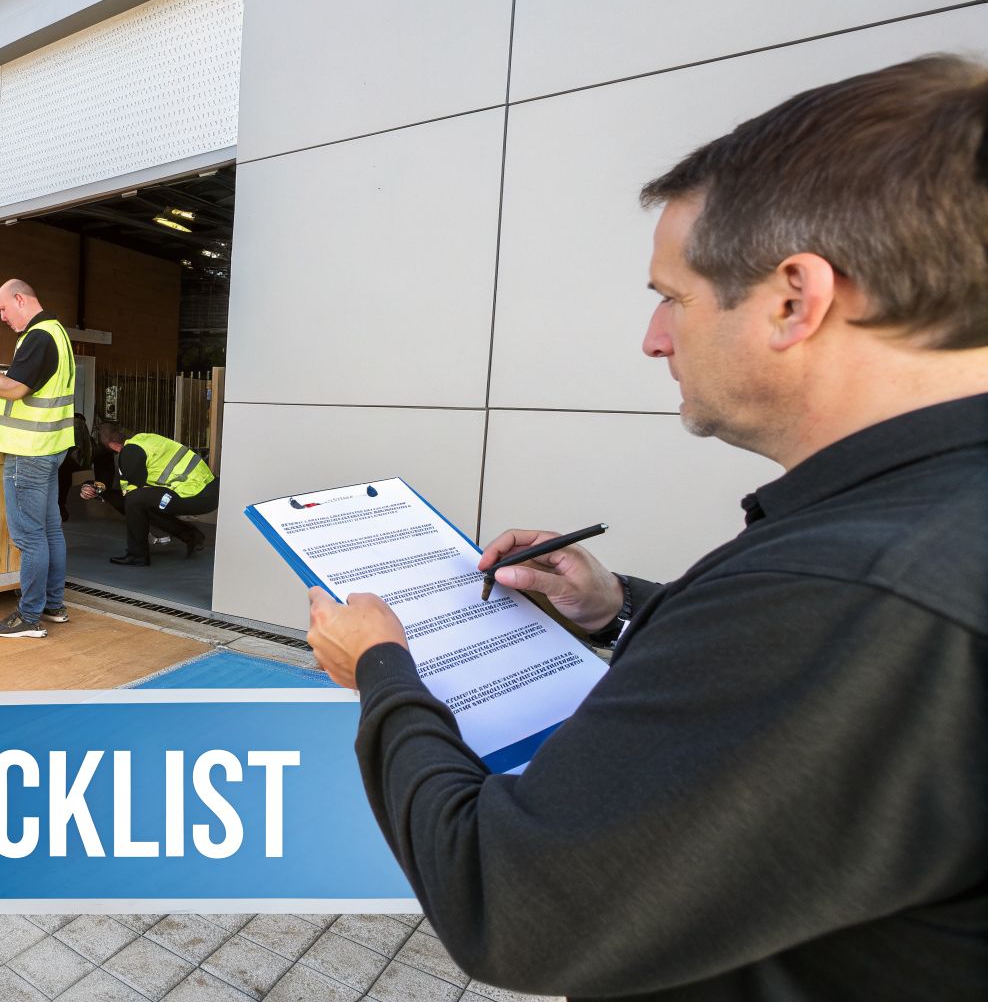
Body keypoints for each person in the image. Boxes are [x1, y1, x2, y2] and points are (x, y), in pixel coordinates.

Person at [305, 55, 988, 1000]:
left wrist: (382, 669)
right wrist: (614, 604)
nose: (654, 338)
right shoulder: (922, 523)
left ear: (796, 299)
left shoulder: (853, 590)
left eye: (673, 295)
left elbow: (505, 899)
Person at [0, 279, 76, 638]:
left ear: (20, 299)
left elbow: (15, 388)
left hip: (29, 453)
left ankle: (29, 617)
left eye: (2, 309)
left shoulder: (39, 336)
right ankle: (53, 606)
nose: (1, 317)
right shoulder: (58, 333)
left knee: (29, 537)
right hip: (50, 448)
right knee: (48, 531)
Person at [82, 421, 216, 566]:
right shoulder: (144, 441)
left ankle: (137, 555)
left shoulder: (130, 453)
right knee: (141, 504)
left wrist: (102, 494)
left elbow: (129, 500)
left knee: (135, 501)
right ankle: (191, 536)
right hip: (206, 489)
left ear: (113, 446)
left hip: (194, 492)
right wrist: (99, 490)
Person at [57, 412, 93, 522]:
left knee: (59, 484)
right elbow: (87, 448)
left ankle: (58, 508)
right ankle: (61, 508)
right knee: (64, 485)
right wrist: (87, 466)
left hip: (60, 459)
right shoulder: (81, 425)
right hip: (71, 461)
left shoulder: (64, 423)